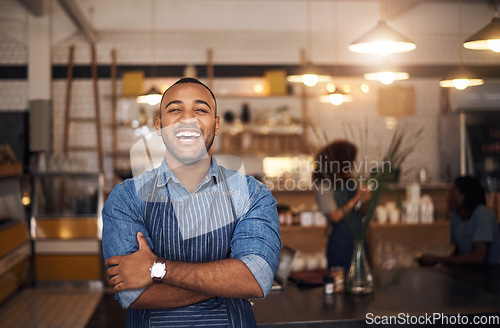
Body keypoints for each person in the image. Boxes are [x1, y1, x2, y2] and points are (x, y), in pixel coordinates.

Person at [102, 77, 281, 327]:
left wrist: (157, 269)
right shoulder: (126, 198)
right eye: (175, 109)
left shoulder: (252, 194)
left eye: (200, 109)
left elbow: (256, 278)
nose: (188, 118)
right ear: (159, 125)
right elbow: (133, 294)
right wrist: (229, 282)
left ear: (216, 125)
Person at [312, 140, 371, 273]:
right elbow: (335, 216)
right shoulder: (324, 184)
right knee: (340, 285)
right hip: (340, 244)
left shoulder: (351, 180)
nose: (353, 164)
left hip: (359, 240)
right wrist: (356, 198)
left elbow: (361, 214)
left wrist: (366, 200)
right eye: (351, 161)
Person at [418, 175, 500, 266]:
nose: (448, 198)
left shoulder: (483, 214)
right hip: (469, 274)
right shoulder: (456, 217)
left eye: (452, 194)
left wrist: (436, 259)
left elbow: (478, 257)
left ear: (463, 196)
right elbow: (458, 251)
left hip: (490, 274)